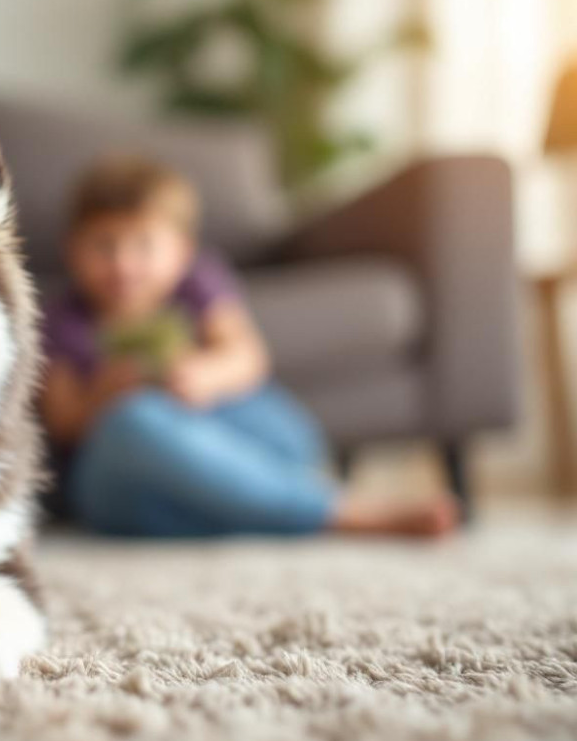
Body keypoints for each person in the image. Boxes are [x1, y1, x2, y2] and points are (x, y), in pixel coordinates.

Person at [42, 156, 458, 538]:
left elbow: (247, 358)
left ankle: (258, 505)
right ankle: (338, 512)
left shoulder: (197, 284)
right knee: (134, 421)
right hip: (119, 481)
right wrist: (103, 396)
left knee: (283, 428)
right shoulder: (64, 318)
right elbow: (62, 420)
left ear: (182, 252)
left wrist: (204, 375)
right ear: (73, 250)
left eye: (143, 245)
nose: (122, 264)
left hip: (200, 450)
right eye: (104, 245)